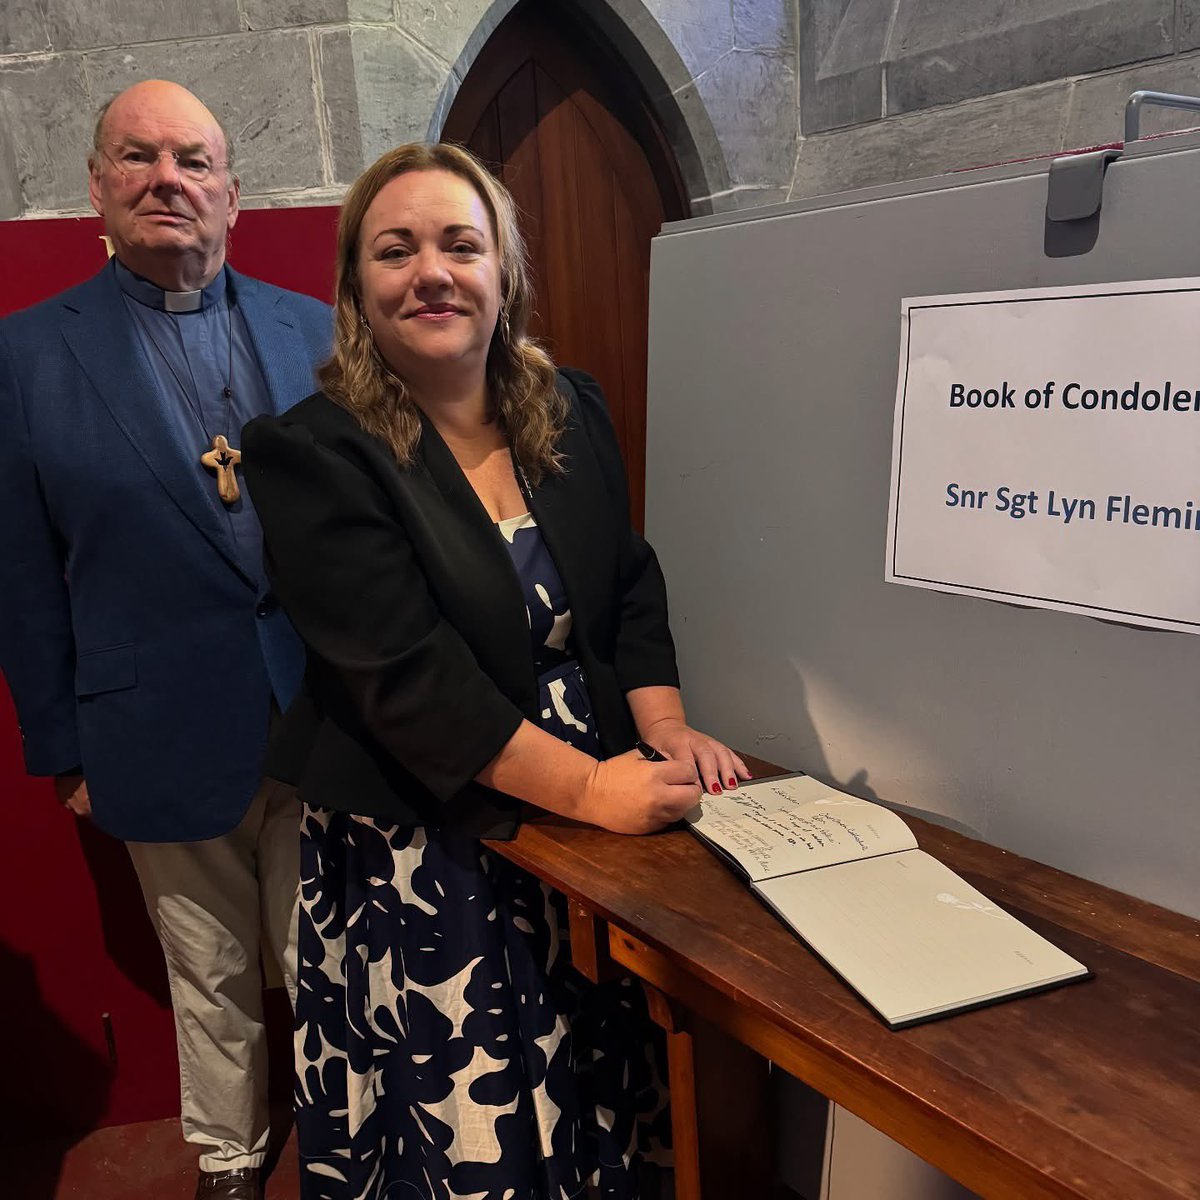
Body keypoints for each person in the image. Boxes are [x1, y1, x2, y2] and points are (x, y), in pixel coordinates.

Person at [241, 142, 749, 1200]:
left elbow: (628, 582)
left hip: (588, 821)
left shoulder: (570, 407)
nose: (432, 271)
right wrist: (590, 788)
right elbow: (408, 680)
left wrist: (664, 725)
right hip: (429, 843)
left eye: (460, 245)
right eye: (397, 249)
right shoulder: (312, 453)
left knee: (591, 1080)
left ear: (504, 272)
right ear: (356, 287)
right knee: (471, 1121)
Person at [0, 81, 331, 1200]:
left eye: (193, 160)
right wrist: (65, 751)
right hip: (149, 721)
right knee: (209, 969)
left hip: (318, 713)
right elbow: (21, 578)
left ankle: (345, 1133)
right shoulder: (27, 356)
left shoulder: (315, 329)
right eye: (137, 157)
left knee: (325, 957)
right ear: (96, 186)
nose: (168, 179)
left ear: (232, 195)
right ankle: (232, 1156)